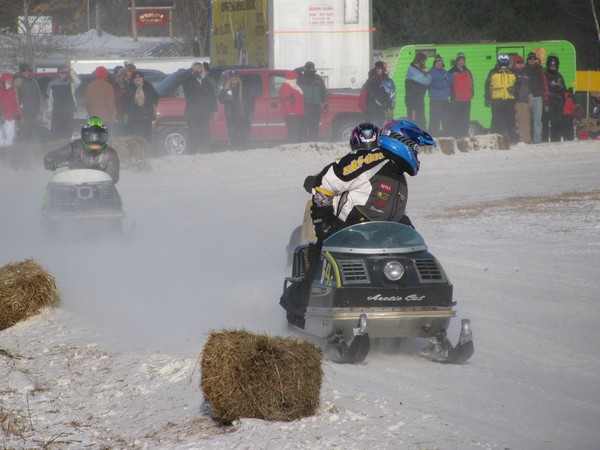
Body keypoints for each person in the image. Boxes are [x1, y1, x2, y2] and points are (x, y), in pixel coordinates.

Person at [280, 121, 436, 322]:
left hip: (379, 238)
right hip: (345, 235)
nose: (417, 155)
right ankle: (298, 312)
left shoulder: (397, 174)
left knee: (411, 267)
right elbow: (324, 185)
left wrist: (409, 232)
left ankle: (420, 311)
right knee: (319, 269)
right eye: (416, 149)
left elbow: (392, 212)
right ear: (402, 142)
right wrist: (323, 224)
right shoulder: (366, 160)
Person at [43, 116, 120, 183]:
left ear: (105, 137)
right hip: (73, 186)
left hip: (101, 189)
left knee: (114, 198)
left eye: (99, 137)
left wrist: (98, 173)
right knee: (53, 194)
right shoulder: (75, 147)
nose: (94, 141)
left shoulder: (110, 154)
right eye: (90, 137)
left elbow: (113, 177)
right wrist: (51, 160)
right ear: (83, 136)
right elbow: (57, 154)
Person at [182, 62, 218, 153]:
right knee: (193, 134)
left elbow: (212, 97)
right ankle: (192, 153)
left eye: (199, 67)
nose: (198, 69)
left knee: (205, 133)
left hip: (204, 113)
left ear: (202, 69)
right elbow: (186, 90)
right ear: (192, 69)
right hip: (192, 113)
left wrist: (214, 110)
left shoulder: (206, 81)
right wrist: (191, 73)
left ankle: (205, 152)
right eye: (195, 67)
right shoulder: (188, 80)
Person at [484, 54, 517, 143]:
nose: (503, 64)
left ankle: (511, 139)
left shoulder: (512, 72)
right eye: (501, 62)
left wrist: (514, 89)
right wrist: (487, 97)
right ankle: (494, 139)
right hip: (497, 99)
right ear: (498, 62)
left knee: (510, 120)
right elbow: (487, 85)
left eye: (505, 62)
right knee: (496, 120)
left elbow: (518, 84)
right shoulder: (493, 72)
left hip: (509, 99)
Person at [218, 69, 254, 149]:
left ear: (238, 77)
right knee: (234, 138)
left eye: (235, 76)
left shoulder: (244, 87)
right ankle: (236, 156)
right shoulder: (226, 88)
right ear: (229, 78)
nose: (233, 78)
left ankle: (247, 155)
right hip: (232, 118)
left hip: (243, 117)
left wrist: (251, 112)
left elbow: (251, 99)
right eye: (231, 77)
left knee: (245, 137)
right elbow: (220, 99)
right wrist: (226, 97)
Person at [123, 70, 159, 142]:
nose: (138, 79)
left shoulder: (148, 86)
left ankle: (148, 151)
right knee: (136, 136)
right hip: (134, 117)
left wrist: (149, 105)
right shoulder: (129, 87)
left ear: (142, 78)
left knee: (147, 136)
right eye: (136, 78)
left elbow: (155, 98)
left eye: (140, 77)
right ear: (133, 79)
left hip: (147, 116)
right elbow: (125, 102)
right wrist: (131, 110)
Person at [46, 64, 81, 139]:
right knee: (56, 132)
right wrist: (49, 110)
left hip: (68, 111)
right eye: (61, 72)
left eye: (65, 72)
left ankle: (67, 145)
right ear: (58, 73)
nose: (63, 74)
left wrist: (70, 70)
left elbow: (78, 82)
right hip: (57, 111)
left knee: (68, 131)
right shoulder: (52, 83)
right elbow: (49, 98)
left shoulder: (71, 83)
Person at [297, 61, 328, 141]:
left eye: (312, 68)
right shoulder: (301, 77)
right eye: (309, 68)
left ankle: (312, 142)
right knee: (304, 125)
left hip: (316, 106)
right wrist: (302, 68)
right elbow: (292, 73)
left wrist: (325, 104)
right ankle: (303, 143)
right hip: (305, 105)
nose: (311, 70)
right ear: (306, 68)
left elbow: (323, 91)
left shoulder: (318, 78)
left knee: (314, 126)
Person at [523, 52, 548, 144]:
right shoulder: (524, 69)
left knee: (537, 119)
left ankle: (537, 138)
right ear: (528, 60)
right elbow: (523, 84)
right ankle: (527, 138)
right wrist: (526, 94)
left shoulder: (540, 68)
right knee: (527, 119)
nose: (532, 60)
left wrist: (545, 96)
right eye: (530, 59)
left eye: (534, 58)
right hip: (527, 97)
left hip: (538, 96)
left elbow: (544, 83)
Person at [448, 52, 474, 138]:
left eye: (462, 60)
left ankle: (465, 136)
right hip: (457, 100)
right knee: (456, 119)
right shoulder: (451, 71)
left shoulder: (468, 71)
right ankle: (456, 136)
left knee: (465, 119)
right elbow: (448, 85)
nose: (461, 62)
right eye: (459, 60)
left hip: (467, 100)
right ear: (456, 61)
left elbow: (472, 83)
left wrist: (471, 93)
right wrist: (452, 95)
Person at [14, 63, 42, 143]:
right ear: (21, 71)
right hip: (24, 113)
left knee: (34, 134)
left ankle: (33, 153)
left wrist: (39, 112)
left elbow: (39, 97)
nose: (26, 72)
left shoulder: (34, 81)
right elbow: (16, 98)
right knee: (24, 134)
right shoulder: (17, 81)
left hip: (34, 112)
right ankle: (21, 153)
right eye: (24, 70)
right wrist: (19, 115)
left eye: (28, 70)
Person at [428, 55, 454, 136]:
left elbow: (452, 80)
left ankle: (446, 135)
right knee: (435, 119)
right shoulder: (431, 72)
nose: (439, 64)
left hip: (445, 99)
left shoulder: (445, 72)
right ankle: (433, 136)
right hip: (435, 100)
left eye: (441, 63)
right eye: (438, 63)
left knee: (446, 119)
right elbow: (436, 84)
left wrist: (445, 80)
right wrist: (446, 82)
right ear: (434, 63)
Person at [404, 52, 431, 129]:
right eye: (424, 61)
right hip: (413, 100)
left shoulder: (415, 70)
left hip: (418, 99)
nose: (425, 64)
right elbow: (427, 81)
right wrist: (427, 73)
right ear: (420, 61)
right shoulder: (412, 71)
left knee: (420, 118)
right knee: (414, 120)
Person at [542, 54, 566, 142]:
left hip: (557, 102)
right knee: (544, 121)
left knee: (556, 122)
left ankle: (556, 140)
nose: (553, 67)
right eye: (551, 65)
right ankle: (543, 139)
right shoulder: (544, 74)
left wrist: (561, 89)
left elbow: (564, 89)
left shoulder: (559, 76)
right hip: (547, 101)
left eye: (554, 65)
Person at [279, 71, 304, 142]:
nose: (296, 80)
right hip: (291, 114)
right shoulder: (286, 87)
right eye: (294, 78)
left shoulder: (293, 86)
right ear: (290, 79)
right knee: (293, 131)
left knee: (295, 130)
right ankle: (292, 145)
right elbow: (286, 100)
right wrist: (290, 111)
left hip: (296, 113)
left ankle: (293, 144)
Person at [512, 55, 531, 143]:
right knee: (514, 122)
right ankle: (515, 140)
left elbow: (529, 87)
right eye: (518, 62)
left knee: (525, 122)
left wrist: (529, 99)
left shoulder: (526, 73)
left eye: (521, 62)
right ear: (514, 63)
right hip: (515, 101)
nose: (520, 64)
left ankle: (525, 140)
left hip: (524, 101)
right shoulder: (512, 73)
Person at [0, 73, 20, 147]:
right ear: (3, 80)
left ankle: (8, 151)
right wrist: (1, 114)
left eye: (11, 80)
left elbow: (15, 104)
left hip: (10, 116)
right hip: (2, 117)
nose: (10, 82)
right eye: (8, 80)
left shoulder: (12, 91)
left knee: (10, 135)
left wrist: (17, 114)